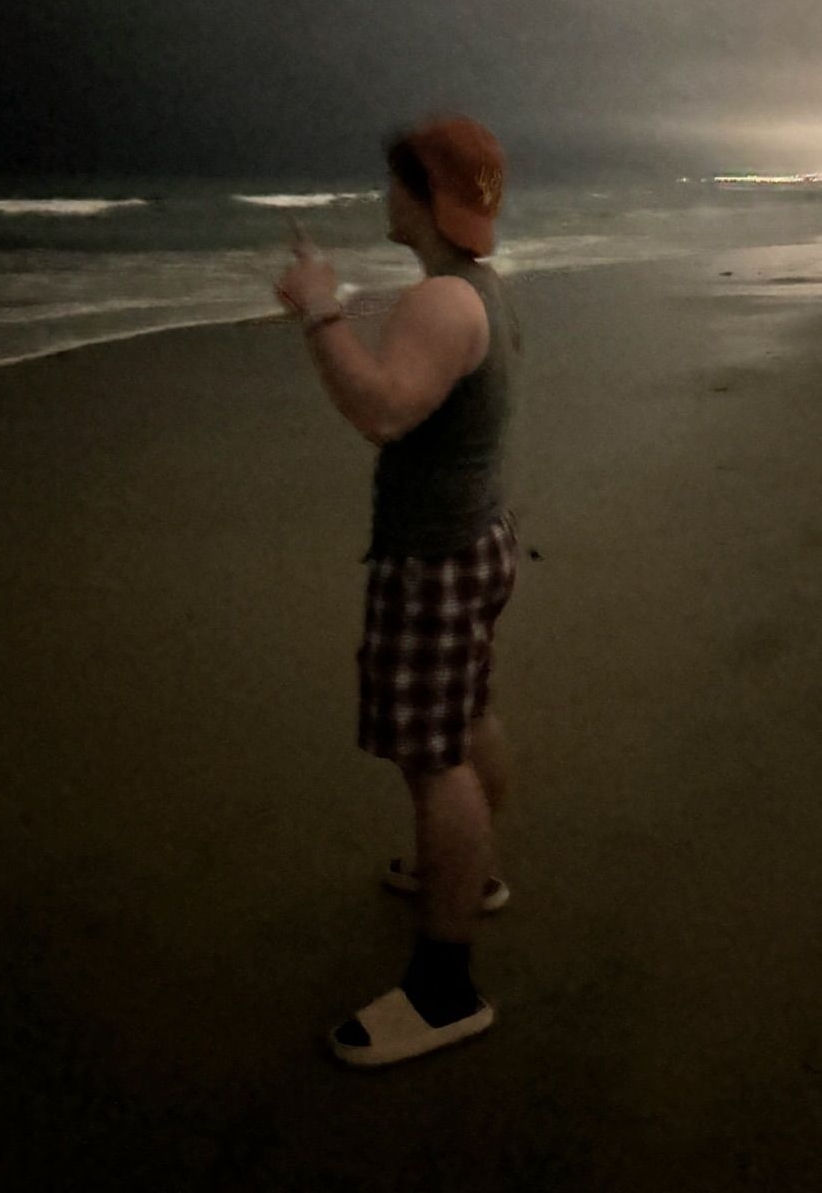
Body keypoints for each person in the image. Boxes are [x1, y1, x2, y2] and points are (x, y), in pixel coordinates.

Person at [274, 113, 522, 1068]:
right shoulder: (481, 290)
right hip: (478, 540)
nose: (385, 195)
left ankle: (444, 988)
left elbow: (381, 411)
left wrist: (319, 310)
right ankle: (472, 875)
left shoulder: (443, 302)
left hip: (434, 561)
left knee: (433, 759)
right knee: (467, 715)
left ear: (424, 198)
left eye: (396, 181)